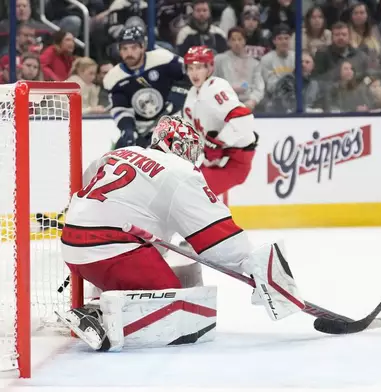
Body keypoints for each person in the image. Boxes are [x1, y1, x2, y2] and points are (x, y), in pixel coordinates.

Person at [58, 116, 303, 352]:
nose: (193, 157)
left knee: (160, 278)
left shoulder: (119, 153)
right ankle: (98, 315)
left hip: (71, 246)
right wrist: (251, 265)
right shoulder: (179, 171)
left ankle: (103, 303)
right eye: (191, 149)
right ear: (177, 146)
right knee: (175, 307)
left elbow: (88, 185)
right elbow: (218, 236)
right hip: (113, 252)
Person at [183, 46, 258, 195]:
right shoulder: (192, 94)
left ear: (210, 67)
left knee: (195, 193)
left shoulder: (216, 87)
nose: (194, 73)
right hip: (213, 159)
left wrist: (218, 143)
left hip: (236, 161)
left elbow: (243, 118)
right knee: (184, 186)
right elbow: (192, 133)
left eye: (198, 68)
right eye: (190, 68)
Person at [103, 26, 188, 149]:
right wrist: (128, 129)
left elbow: (189, 74)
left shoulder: (164, 59)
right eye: (124, 49)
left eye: (134, 47)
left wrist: (179, 93)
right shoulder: (114, 77)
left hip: (173, 124)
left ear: (143, 46)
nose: (129, 53)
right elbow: (121, 108)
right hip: (142, 130)